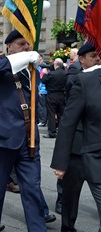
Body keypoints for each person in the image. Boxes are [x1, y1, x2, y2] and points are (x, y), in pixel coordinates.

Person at [0, 30, 47, 232]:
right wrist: (26, 56)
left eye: (28, 45)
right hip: (2, 139)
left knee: (33, 191)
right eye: (21, 44)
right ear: (9, 46)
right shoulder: (1, 64)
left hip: (29, 141)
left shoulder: (32, 70)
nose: (26, 47)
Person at [51, 42, 101, 232]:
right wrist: (60, 161)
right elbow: (68, 121)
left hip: (93, 144)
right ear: (81, 59)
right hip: (77, 145)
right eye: (92, 56)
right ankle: (67, 227)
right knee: (70, 195)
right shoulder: (75, 78)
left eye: (98, 55)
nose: (97, 58)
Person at [42, 58, 67, 138]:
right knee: (61, 114)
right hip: (62, 95)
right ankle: (62, 131)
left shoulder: (51, 74)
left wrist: (45, 73)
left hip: (52, 95)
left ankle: (52, 132)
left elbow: (43, 81)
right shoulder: (65, 73)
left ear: (55, 65)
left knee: (51, 114)